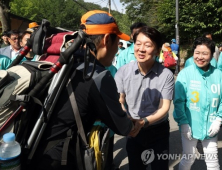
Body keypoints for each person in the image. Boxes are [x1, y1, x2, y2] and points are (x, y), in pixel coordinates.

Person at [31, 10, 135, 170]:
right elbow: (123, 127)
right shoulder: (99, 76)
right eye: (117, 41)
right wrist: (139, 123)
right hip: (62, 160)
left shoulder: (66, 62)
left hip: (32, 150)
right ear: (107, 40)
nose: (117, 49)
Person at [115, 26, 174, 170]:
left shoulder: (166, 75)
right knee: (136, 166)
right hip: (133, 129)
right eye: (138, 44)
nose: (141, 49)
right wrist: (128, 118)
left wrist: (143, 122)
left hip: (158, 130)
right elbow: (120, 100)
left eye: (147, 45)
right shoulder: (123, 71)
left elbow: (164, 107)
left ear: (157, 49)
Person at [173, 37, 222, 170]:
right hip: (189, 126)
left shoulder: (219, 75)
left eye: (205, 53)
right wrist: (183, 123)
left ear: (212, 55)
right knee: (188, 158)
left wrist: (218, 119)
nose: (200, 57)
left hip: (211, 127)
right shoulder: (185, 74)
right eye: (197, 53)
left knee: (213, 162)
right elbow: (178, 102)